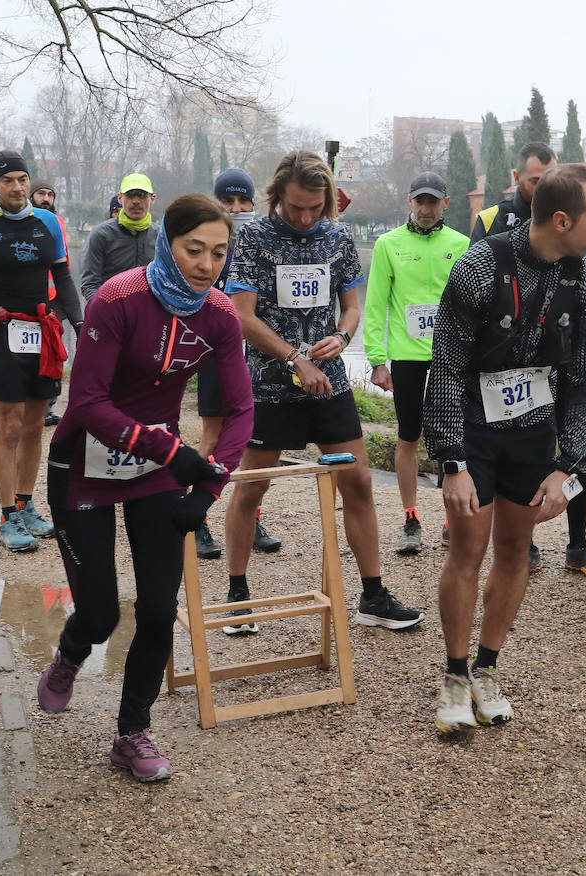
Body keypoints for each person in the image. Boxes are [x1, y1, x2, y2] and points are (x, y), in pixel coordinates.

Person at [36, 193, 253, 782]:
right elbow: (87, 403)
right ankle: (70, 655)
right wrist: (176, 453)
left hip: (155, 470)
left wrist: (210, 487)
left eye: (219, 253)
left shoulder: (219, 314)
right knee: (101, 612)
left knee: (158, 609)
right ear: (166, 243)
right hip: (84, 465)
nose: (207, 265)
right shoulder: (117, 298)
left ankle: (132, 732)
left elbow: (240, 409)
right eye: (194, 250)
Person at [426, 164, 586, 732]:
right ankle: (454, 677)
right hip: (474, 426)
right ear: (562, 220)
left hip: (533, 428)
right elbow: (446, 367)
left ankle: (487, 668)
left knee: (516, 550)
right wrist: (451, 462)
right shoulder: (481, 266)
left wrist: (568, 465)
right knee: (468, 549)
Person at [223, 149, 424, 635]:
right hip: (270, 385)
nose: (305, 217)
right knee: (252, 486)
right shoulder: (253, 238)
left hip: (329, 382)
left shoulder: (338, 237)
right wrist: (295, 358)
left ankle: (373, 594)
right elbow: (242, 316)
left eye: (315, 207)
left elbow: (351, 306)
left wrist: (342, 335)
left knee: (357, 482)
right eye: (296, 207)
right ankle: (237, 596)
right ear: (277, 196)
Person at [471, 142, 586, 578]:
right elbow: (476, 297)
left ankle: (577, 542)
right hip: (502, 374)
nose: (545, 185)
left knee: (578, 444)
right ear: (518, 179)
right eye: (535, 180)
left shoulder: (580, 234)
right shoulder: (491, 221)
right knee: (517, 458)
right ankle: (520, 541)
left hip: (557, 366)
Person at [0, 149, 84, 553]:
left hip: (41, 332)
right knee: (9, 426)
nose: (17, 187)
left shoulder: (47, 223)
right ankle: (7, 515)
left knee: (34, 424)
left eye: (22, 179)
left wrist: (81, 326)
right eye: (8, 180)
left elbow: (64, 279)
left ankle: (27, 505)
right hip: (2, 333)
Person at [365, 171, 470, 554]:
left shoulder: (461, 244)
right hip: (407, 356)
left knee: (453, 437)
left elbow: (473, 304)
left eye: (433, 202)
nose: (426, 209)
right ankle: (411, 518)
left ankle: (451, 518)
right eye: (420, 201)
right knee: (408, 436)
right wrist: (377, 359)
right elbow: (375, 303)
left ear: (446, 203)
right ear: (410, 202)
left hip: (450, 355)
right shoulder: (388, 244)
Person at [203, 167, 284, 568]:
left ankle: (250, 516)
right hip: (214, 352)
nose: (236, 208)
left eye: (243, 201)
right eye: (228, 201)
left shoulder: (262, 242)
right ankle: (199, 517)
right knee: (213, 437)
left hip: (255, 357)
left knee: (254, 444)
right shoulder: (206, 242)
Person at [81, 173, 158, 302]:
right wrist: (106, 310)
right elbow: (89, 285)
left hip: (150, 312)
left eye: (142, 195)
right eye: (131, 195)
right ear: (120, 198)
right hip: (109, 311)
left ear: (152, 199)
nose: (136, 201)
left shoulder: (162, 237)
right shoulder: (100, 234)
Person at [30, 180, 69, 427]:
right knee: (33, 354)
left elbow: (64, 263)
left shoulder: (59, 222)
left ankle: (48, 406)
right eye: (41, 193)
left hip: (55, 300)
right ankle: (31, 406)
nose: (46, 198)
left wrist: (67, 299)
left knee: (54, 354)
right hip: (30, 299)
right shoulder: (25, 221)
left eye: (50, 194)